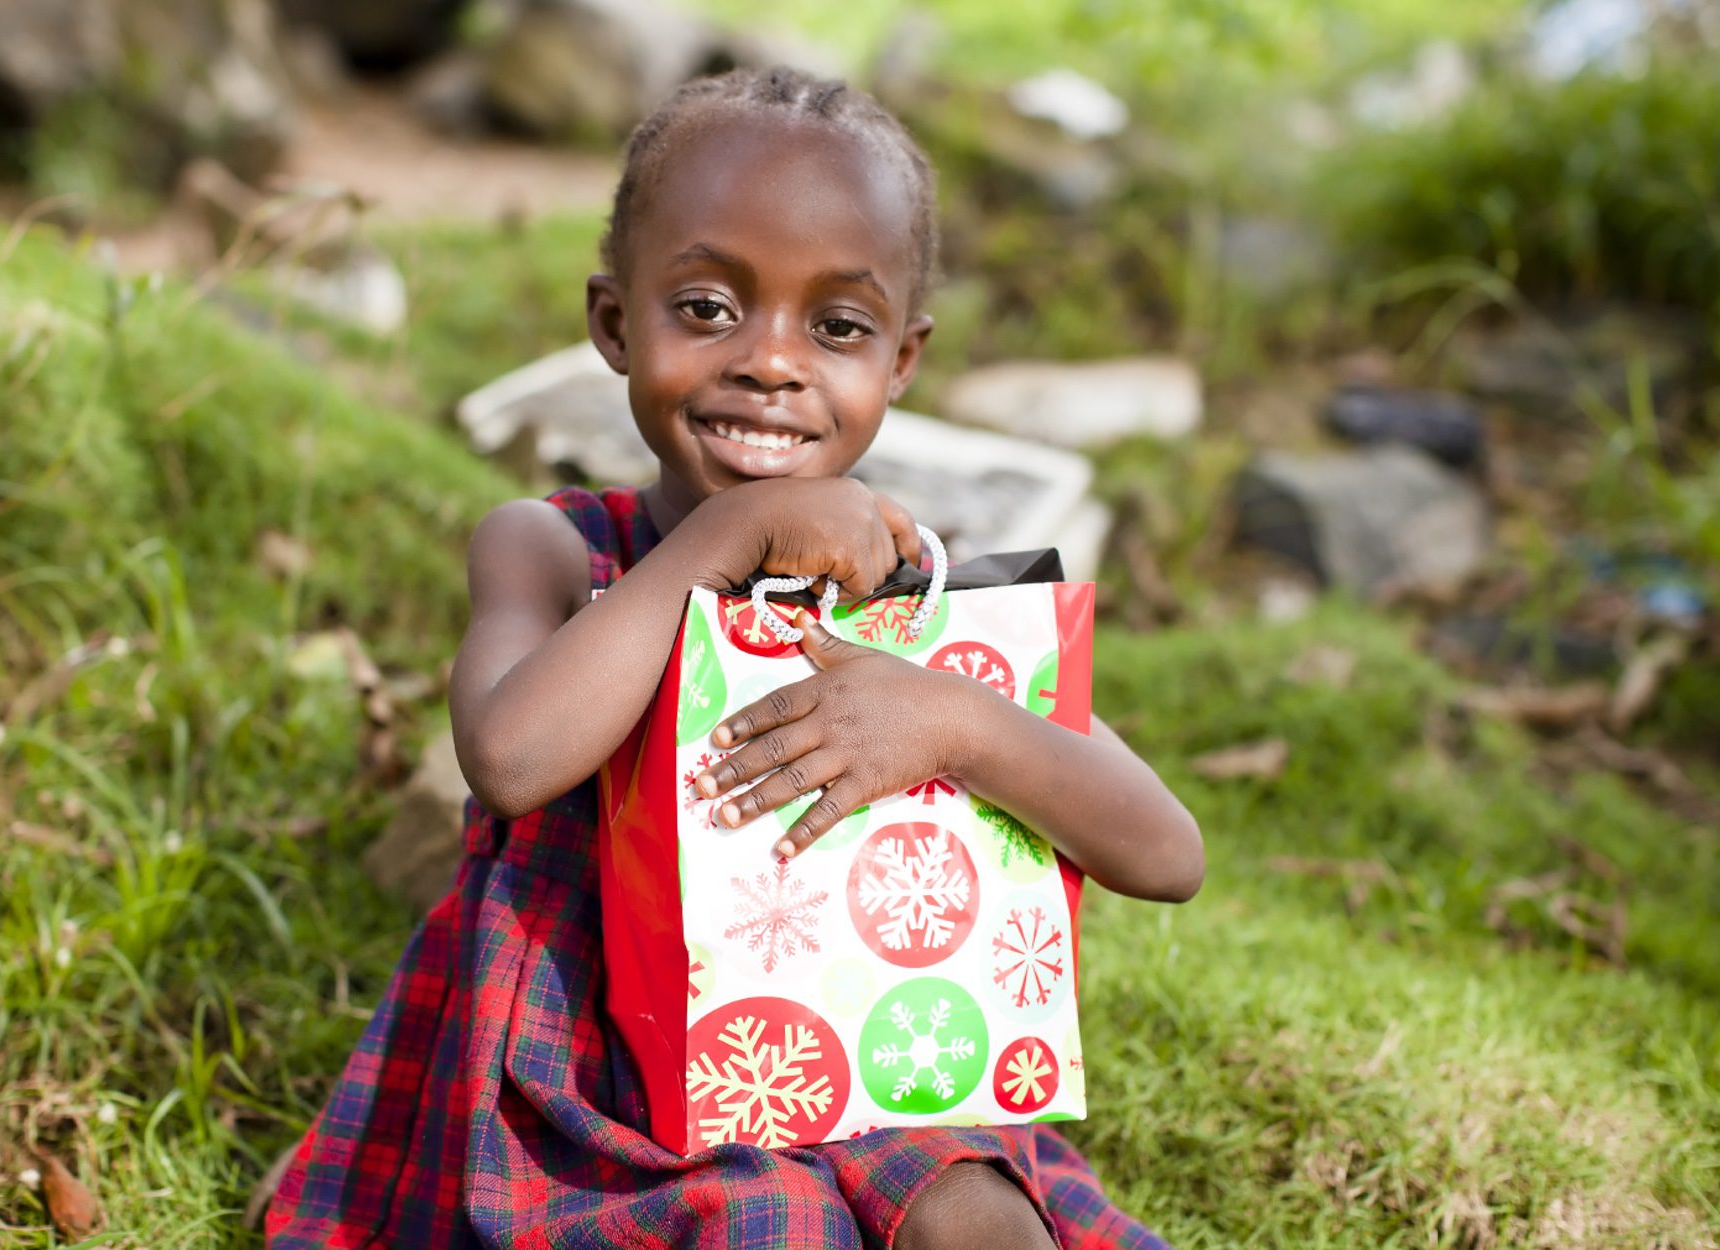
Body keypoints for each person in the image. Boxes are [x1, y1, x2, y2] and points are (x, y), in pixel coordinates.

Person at [267, 66, 1204, 1250]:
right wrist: (721, 540)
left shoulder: (918, 600)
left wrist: (953, 721)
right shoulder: (556, 550)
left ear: (902, 361)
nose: (771, 360)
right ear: (615, 322)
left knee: (988, 1219)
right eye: (707, 307)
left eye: (838, 326)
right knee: (775, 1226)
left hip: (862, 1054)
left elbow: (1167, 852)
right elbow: (507, 757)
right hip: (593, 1084)